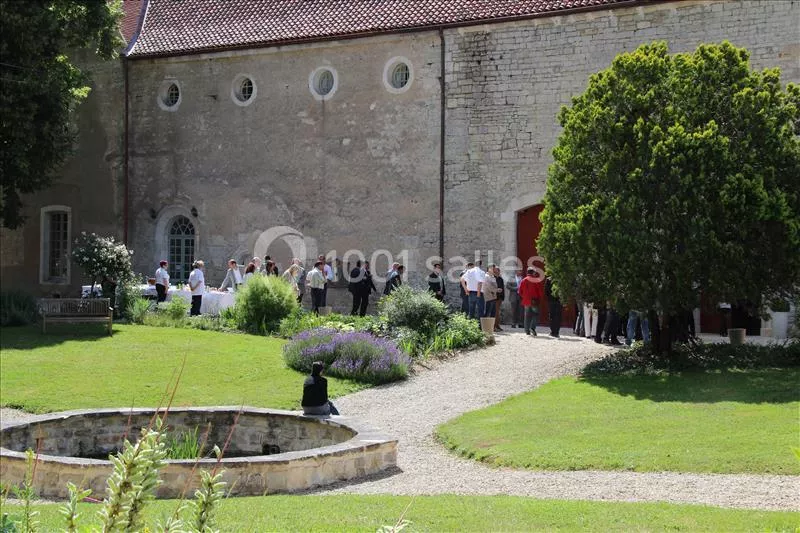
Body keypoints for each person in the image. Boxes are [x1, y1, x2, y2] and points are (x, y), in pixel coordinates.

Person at [518, 267, 543, 336]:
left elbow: (520, 291)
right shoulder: (536, 280)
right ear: (533, 272)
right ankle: (532, 327)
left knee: (527, 316)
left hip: (526, 301)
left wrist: (524, 297)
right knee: (536, 314)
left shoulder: (523, 280)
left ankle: (527, 331)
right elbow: (540, 291)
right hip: (534, 300)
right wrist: (540, 298)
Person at [494, 266, 505, 331]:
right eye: (496, 270)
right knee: (496, 312)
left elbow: (502, 288)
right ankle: (495, 326)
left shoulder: (500, 279)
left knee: (498, 312)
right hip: (495, 297)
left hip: (500, 297)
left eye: (498, 270)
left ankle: (497, 325)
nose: (497, 271)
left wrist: (503, 297)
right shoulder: (493, 278)